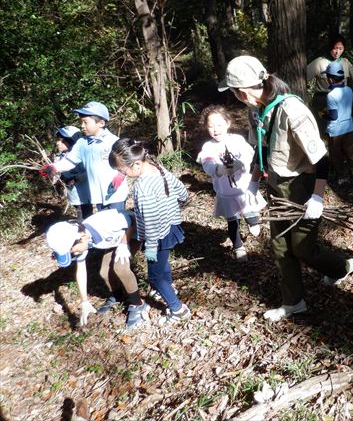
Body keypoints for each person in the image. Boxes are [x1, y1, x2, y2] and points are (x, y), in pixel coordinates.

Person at [218, 55, 353, 322]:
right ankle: (293, 302)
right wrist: (254, 180)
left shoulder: (292, 110)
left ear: (243, 91)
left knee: (303, 249)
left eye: (234, 92)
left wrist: (316, 197)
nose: (235, 96)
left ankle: (341, 267)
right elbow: (260, 148)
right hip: (276, 187)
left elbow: (322, 159)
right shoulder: (255, 110)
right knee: (281, 248)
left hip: (302, 187)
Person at [109, 138, 192, 326]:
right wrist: (174, 206)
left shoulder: (142, 187)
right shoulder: (158, 168)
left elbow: (151, 220)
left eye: (123, 171)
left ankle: (178, 309)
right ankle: (167, 286)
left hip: (157, 236)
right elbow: (181, 192)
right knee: (162, 265)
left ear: (136, 164)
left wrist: (151, 247)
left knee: (154, 275)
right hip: (170, 227)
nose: (124, 174)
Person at [45, 209, 148, 329]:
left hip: (134, 232)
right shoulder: (80, 239)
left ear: (82, 238)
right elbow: (81, 271)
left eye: (73, 252)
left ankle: (138, 304)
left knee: (120, 268)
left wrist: (123, 245)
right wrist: (84, 301)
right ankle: (118, 295)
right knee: (104, 272)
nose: (75, 254)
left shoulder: (104, 224)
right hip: (115, 240)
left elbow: (133, 220)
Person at [196, 104, 266, 261]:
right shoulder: (208, 147)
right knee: (232, 221)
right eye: (211, 126)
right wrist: (218, 169)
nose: (216, 129)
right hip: (225, 193)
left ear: (228, 123)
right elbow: (207, 164)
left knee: (250, 210)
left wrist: (240, 163)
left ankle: (253, 221)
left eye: (219, 125)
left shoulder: (237, 140)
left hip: (244, 188)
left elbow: (249, 153)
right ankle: (238, 246)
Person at [40, 101, 128, 214]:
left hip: (116, 193)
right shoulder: (82, 143)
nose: (82, 126)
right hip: (99, 195)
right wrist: (54, 167)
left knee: (118, 225)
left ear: (101, 123)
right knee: (106, 227)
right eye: (81, 122)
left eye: (85, 122)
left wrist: (121, 175)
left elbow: (127, 161)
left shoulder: (113, 141)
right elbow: (69, 160)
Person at [307, 34, 353, 133]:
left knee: (339, 132)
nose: (337, 52)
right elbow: (302, 78)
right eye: (335, 48)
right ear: (330, 47)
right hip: (322, 101)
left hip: (341, 100)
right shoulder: (319, 62)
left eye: (341, 48)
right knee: (321, 131)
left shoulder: (345, 62)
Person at [322, 61, 353, 189]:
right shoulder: (349, 90)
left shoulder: (330, 95)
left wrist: (322, 114)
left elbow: (333, 116)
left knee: (336, 155)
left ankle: (342, 177)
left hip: (335, 131)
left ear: (330, 78)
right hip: (349, 128)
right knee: (351, 154)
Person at [53, 126, 91, 221]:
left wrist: (76, 179)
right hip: (74, 193)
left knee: (84, 212)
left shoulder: (82, 156)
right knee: (79, 210)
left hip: (84, 193)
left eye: (62, 141)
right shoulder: (62, 156)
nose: (58, 143)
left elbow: (90, 171)